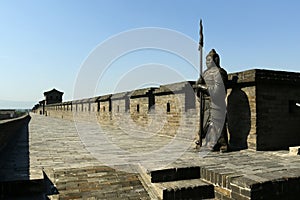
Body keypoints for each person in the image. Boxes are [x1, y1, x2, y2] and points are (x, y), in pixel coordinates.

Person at [196, 49, 229, 152]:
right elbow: (197, 89)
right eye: (206, 61)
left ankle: (222, 144)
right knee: (204, 125)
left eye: (209, 61)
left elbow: (217, 91)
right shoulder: (205, 73)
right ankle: (206, 142)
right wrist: (199, 82)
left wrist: (202, 87)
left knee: (218, 123)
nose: (207, 63)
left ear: (215, 60)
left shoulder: (220, 72)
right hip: (205, 103)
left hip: (216, 102)